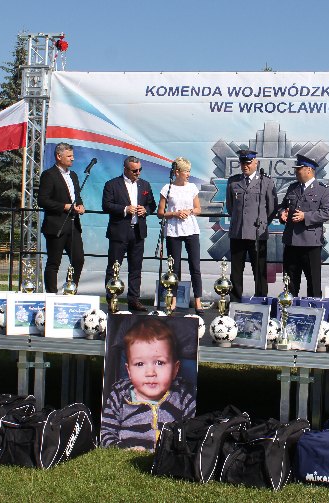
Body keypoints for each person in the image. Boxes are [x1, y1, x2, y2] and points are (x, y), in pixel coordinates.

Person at [100, 317, 195, 450]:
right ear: (129, 371)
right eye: (140, 364)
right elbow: (105, 433)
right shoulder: (119, 396)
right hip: (129, 454)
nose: (150, 372)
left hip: (166, 457)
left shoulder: (182, 398)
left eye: (159, 363)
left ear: (175, 369)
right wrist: (122, 449)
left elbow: (193, 433)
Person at [102, 156, 157, 311]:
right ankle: (111, 298)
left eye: (140, 170)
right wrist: (125, 209)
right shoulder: (112, 184)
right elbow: (106, 205)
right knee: (114, 267)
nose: (138, 173)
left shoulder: (144, 184)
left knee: (136, 268)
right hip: (119, 232)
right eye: (134, 171)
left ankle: (134, 299)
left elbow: (152, 205)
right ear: (125, 169)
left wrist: (145, 210)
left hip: (138, 232)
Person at [278, 154, 329, 298]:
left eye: (299, 169)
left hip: (310, 243)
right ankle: (289, 309)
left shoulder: (323, 190)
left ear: (309, 170)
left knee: (313, 283)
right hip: (291, 242)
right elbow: (283, 206)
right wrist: (282, 213)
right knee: (290, 283)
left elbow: (327, 213)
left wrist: (305, 216)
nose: (296, 172)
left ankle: (314, 309)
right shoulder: (293, 188)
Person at [225, 149, 277, 301]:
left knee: (259, 270)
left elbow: (272, 208)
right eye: (242, 163)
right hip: (238, 232)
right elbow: (231, 207)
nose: (245, 166)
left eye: (248, 163)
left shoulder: (266, 182)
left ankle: (261, 301)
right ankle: (235, 302)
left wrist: (262, 221)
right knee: (236, 271)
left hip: (257, 233)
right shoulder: (233, 182)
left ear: (256, 163)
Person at [157, 157, 204, 313]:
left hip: (191, 230)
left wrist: (189, 211)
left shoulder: (192, 187)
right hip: (173, 231)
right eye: (186, 171)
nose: (188, 174)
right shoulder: (167, 188)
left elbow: (198, 209)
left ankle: (198, 301)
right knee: (174, 268)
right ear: (177, 172)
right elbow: (160, 213)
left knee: (195, 266)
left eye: (189, 171)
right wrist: (175, 213)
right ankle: (173, 300)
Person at [38, 142, 85, 293]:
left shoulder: (73, 175)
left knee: (78, 259)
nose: (72, 159)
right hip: (56, 224)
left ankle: (70, 289)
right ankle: (51, 294)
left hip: (73, 225)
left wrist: (80, 205)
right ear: (59, 156)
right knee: (54, 262)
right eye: (69, 156)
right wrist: (64, 206)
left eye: (73, 155)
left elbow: (76, 197)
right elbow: (43, 200)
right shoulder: (49, 175)